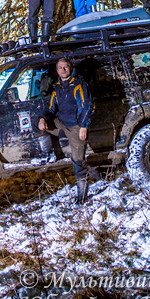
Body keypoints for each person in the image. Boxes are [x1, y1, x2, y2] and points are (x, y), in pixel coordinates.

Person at [37, 57, 95, 204]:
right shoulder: (57, 87)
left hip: (76, 126)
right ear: (57, 71)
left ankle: (82, 197)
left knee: (78, 162)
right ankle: (47, 153)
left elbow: (88, 106)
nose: (63, 70)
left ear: (70, 68)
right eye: (60, 68)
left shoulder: (79, 84)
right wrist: (43, 119)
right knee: (36, 121)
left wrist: (83, 126)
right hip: (61, 123)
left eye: (65, 67)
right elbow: (50, 108)